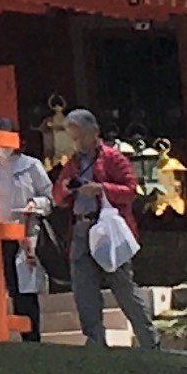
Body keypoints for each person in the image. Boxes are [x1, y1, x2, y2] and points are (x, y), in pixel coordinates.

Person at [53, 108, 163, 356]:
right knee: (84, 290)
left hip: (108, 230)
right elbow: (57, 197)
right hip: (81, 230)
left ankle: (149, 340)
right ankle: (95, 342)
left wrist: (101, 189)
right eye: (74, 138)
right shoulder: (72, 163)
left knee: (122, 286)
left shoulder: (113, 158)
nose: (78, 143)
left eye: (80, 136)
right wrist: (66, 189)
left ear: (94, 133)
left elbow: (131, 190)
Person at [0, 126, 55, 342]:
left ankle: (32, 337)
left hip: (26, 235)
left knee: (26, 290)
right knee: (9, 287)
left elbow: (50, 198)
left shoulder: (31, 166)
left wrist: (34, 204)